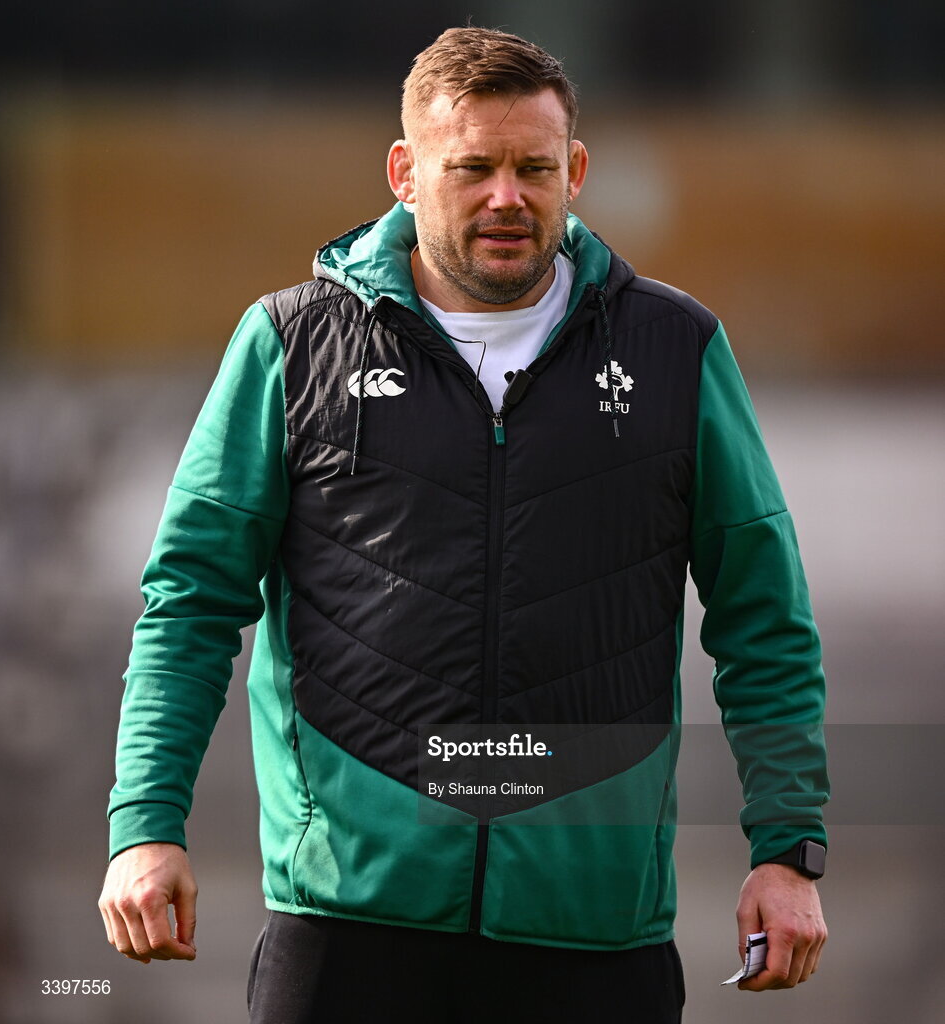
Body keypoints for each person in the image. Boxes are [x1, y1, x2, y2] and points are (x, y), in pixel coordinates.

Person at [99, 26, 828, 1023]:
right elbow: (188, 600)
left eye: (533, 167)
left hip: (594, 934)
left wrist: (788, 850)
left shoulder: (677, 349)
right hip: (350, 927)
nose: (506, 197)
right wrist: (145, 827)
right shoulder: (289, 343)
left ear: (574, 170)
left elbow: (764, 614)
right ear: (405, 171)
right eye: (472, 167)